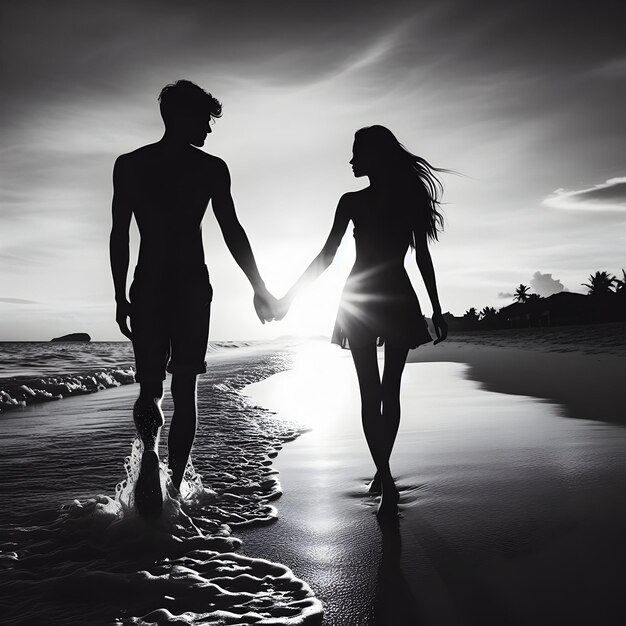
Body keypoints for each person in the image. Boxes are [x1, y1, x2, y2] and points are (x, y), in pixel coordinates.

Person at [109, 80, 277, 519]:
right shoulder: (210, 168)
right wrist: (259, 286)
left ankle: (150, 453)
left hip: (147, 284)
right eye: (205, 119)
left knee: (150, 386)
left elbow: (119, 233)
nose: (209, 128)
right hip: (189, 284)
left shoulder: (130, 165)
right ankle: (175, 488)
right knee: (185, 388)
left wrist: (118, 291)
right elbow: (232, 230)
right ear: (180, 117)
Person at [278, 125, 449, 516]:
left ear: (375, 157)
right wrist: (435, 308)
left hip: (359, 300)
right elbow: (420, 257)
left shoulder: (352, 201)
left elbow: (327, 256)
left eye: (357, 153)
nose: (352, 160)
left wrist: (290, 296)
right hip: (396, 296)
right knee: (389, 392)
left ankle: (384, 477)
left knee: (371, 394)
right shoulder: (403, 200)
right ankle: (383, 475)